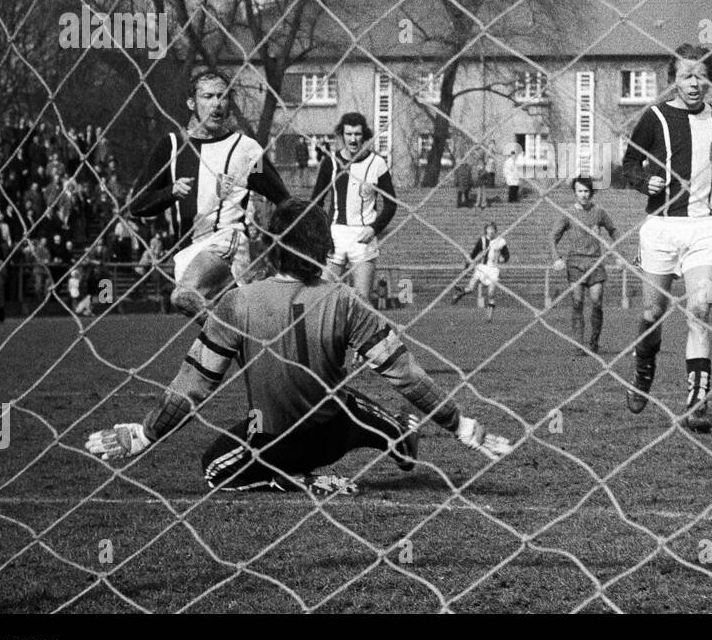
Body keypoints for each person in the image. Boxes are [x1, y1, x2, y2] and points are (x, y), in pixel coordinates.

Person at [85, 197, 513, 495]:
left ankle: (296, 478)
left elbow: (193, 385)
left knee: (214, 470)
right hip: (332, 431)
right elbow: (407, 375)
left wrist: (145, 432)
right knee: (349, 403)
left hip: (273, 439)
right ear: (324, 247)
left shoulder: (238, 302)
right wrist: (460, 426)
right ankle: (396, 432)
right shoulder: (344, 299)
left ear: (271, 248)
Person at [621, 44, 712, 433]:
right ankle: (643, 368)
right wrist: (646, 180)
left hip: (704, 226)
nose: (694, 83)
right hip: (662, 226)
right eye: (685, 76)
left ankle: (697, 402)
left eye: (700, 75)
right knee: (652, 314)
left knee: (700, 310)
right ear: (673, 80)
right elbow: (627, 165)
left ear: (710, 77)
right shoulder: (655, 117)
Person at [129, 70, 289, 319]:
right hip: (186, 254)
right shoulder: (171, 146)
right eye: (208, 96)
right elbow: (137, 205)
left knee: (183, 295)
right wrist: (170, 192)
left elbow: (282, 197)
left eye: (223, 97)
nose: (217, 103)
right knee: (212, 348)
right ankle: (233, 339)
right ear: (192, 103)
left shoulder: (245, 149)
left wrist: (286, 242)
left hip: (227, 242)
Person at [311, 112, 397, 303]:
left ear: (364, 135)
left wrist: (374, 228)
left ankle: (359, 332)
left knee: (362, 302)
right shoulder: (330, 162)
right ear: (342, 135)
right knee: (323, 299)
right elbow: (316, 202)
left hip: (363, 237)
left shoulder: (377, 163)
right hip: (335, 235)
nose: (353, 139)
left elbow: (391, 204)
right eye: (349, 134)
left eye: (357, 134)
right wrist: (325, 233)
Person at [550, 177, 619, 354]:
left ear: (591, 192)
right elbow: (553, 237)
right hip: (575, 265)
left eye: (586, 191)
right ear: (575, 193)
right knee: (577, 302)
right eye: (580, 191)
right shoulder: (568, 213)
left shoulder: (599, 212)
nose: (583, 194)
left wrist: (617, 252)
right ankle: (579, 344)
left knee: (596, 302)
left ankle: (594, 342)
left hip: (595, 264)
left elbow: (613, 230)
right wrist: (556, 257)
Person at [453, 221, 510, 319]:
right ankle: (460, 294)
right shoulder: (482, 240)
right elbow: (473, 254)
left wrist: (503, 259)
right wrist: (467, 266)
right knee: (470, 289)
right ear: (486, 230)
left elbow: (507, 255)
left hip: (493, 270)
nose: (491, 231)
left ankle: (489, 318)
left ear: (495, 231)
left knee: (491, 293)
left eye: (492, 229)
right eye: (489, 229)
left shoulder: (501, 241)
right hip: (481, 268)